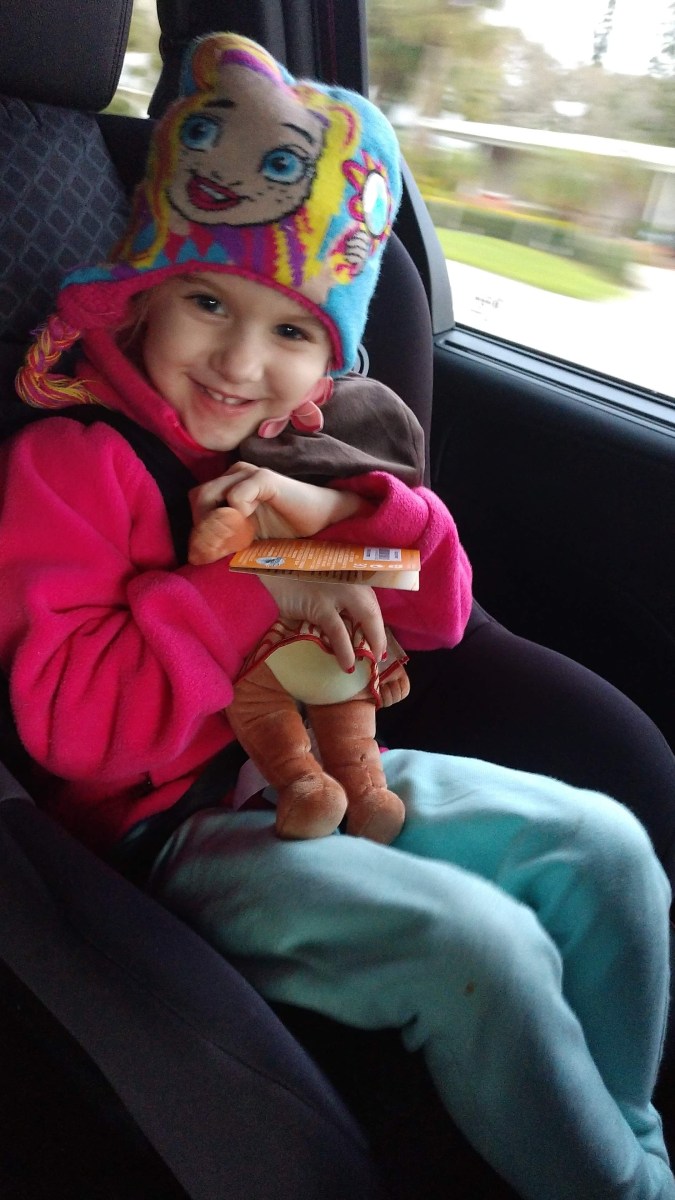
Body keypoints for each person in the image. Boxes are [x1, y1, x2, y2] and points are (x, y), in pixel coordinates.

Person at [0, 30, 672, 1200]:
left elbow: (441, 611)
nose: (238, 360)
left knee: (607, 850)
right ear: (145, 297)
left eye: (290, 330)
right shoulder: (70, 462)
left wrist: (337, 510)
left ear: (326, 363)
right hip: (167, 834)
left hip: (330, 767)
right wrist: (268, 574)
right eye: (205, 301)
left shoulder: (304, 443)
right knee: (483, 948)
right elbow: (75, 726)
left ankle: (624, 1144)